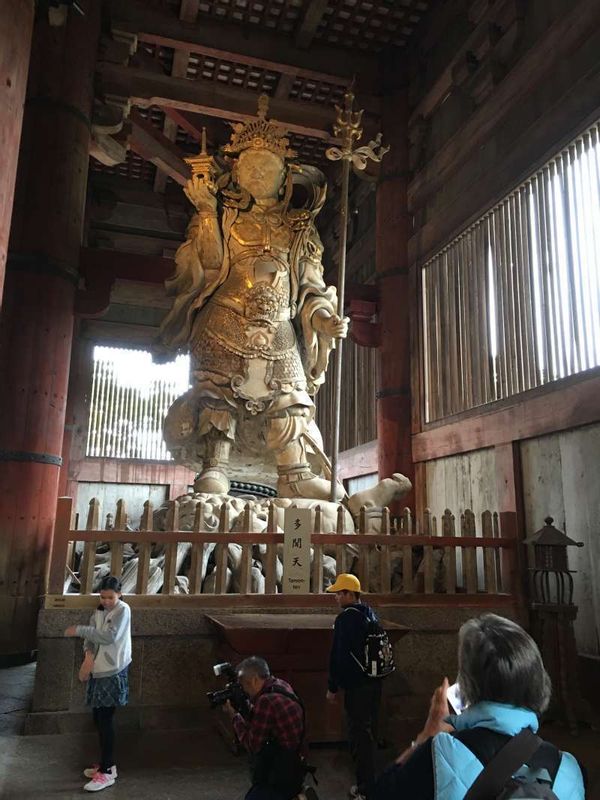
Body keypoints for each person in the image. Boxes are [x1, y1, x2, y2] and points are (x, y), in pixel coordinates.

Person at [156, 93, 348, 501]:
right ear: (236, 173)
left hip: (278, 323)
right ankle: (215, 468)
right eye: (250, 167)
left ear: (285, 179)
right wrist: (207, 212)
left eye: (268, 168)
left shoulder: (300, 229)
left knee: (292, 396)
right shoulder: (223, 217)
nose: (258, 174)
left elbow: (311, 286)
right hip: (226, 317)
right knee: (217, 393)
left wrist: (324, 317)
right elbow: (207, 264)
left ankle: (294, 473)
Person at [373, 613, 586, 800]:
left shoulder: (440, 754)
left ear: (467, 684)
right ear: (538, 679)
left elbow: (378, 793)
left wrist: (426, 736)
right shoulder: (569, 769)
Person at [64, 575, 132, 793]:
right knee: (98, 717)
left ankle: (108, 769)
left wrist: (79, 629)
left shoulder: (123, 610)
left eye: (110, 597)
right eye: (103, 597)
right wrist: (88, 656)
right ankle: (104, 764)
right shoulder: (99, 611)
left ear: (119, 594)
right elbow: (93, 638)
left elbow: (108, 637)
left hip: (113, 670)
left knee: (106, 718)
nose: (106, 601)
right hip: (98, 669)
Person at [222, 656, 311, 800]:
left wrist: (234, 716)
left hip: (280, 772)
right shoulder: (280, 685)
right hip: (297, 761)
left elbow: (252, 745)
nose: (243, 690)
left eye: (243, 685)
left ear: (255, 680)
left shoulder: (266, 701)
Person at [326, 574, 382, 800]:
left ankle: (365, 789)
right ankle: (373, 781)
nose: (337, 598)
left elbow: (338, 657)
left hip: (356, 685)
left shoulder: (345, 620)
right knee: (369, 732)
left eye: (340, 593)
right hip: (374, 682)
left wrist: (332, 686)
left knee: (359, 735)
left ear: (350, 594)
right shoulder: (369, 613)